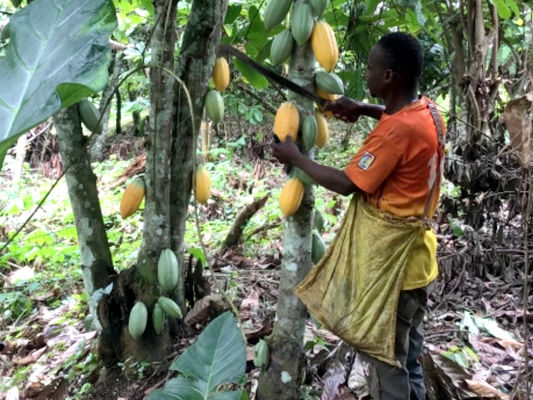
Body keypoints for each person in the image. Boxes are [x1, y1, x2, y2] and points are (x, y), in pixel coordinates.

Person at [272, 32, 445, 400]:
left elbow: (348, 183)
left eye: (370, 69)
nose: (364, 75)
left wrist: (297, 159)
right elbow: (400, 121)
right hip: (417, 265)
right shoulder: (428, 111)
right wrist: (363, 109)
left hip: (393, 273)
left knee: (388, 364)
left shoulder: (395, 134)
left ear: (389, 78)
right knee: (408, 359)